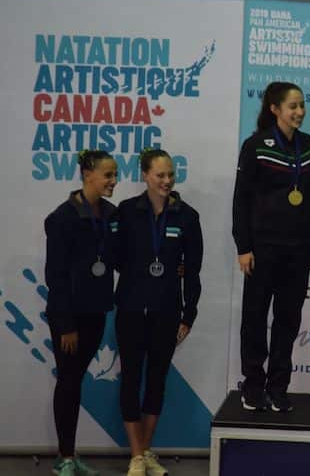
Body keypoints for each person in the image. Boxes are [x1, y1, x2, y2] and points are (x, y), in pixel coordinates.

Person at [232, 82, 310, 413]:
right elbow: (241, 199)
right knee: (254, 318)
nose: (299, 112)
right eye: (293, 106)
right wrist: (244, 246)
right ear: (275, 109)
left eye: (302, 105)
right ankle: (253, 383)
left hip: (298, 250)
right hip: (262, 248)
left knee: (288, 319)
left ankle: (279, 385)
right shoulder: (255, 145)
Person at [115, 148, 203, 476]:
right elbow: (115, 258)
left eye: (171, 175)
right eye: (160, 175)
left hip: (168, 310)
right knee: (131, 378)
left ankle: (147, 450)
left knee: (157, 380)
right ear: (145, 176)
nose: (167, 181)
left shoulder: (187, 216)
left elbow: (193, 271)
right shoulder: (125, 212)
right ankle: (136, 455)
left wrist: (188, 315)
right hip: (131, 308)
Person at [45, 150, 118, 476]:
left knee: (75, 381)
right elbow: (55, 276)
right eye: (108, 175)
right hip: (69, 318)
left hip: (96, 312)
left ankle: (71, 455)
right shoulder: (63, 218)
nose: (114, 181)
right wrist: (64, 324)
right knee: (69, 381)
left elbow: (123, 256)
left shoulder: (111, 214)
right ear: (89, 174)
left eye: (115, 174)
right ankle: (64, 456)